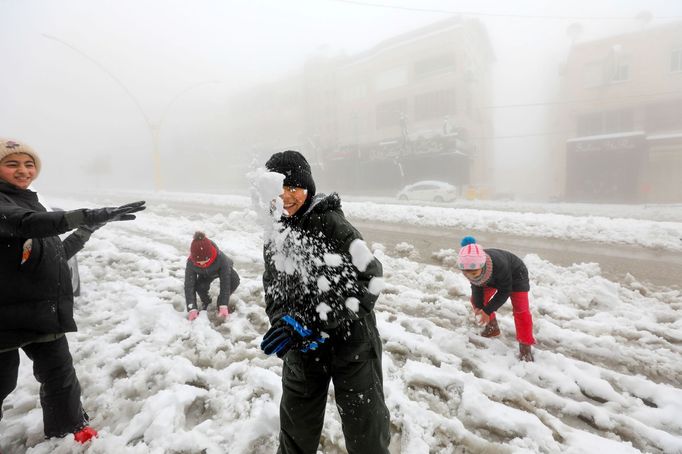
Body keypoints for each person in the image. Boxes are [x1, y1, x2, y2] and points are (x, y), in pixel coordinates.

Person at [0, 138, 146, 443]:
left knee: (60, 376)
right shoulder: (8, 206)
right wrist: (82, 215)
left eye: (29, 164)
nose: (23, 170)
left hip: (40, 312)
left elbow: (54, 255)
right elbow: (25, 224)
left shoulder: (31, 201)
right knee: (2, 379)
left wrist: (86, 229)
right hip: (4, 313)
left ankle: (68, 431)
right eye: (11, 163)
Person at [260, 150, 390, 454]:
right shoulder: (273, 234)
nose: (287, 196)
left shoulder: (330, 223)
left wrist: (311, 321)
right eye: (280, 189)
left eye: (295, 187)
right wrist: (284, 322)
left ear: (309, 189)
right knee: (295, 434)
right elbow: (273, 286)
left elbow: (370, 277)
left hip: (352, 343)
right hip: (303, 348)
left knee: (366, 434)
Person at [456, 236, 535, 361]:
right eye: (466, 273)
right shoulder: (471, 268)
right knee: (476, 301)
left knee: (521, 310)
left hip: (515, 274)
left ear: (481, 266)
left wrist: (487, 311)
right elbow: (476, 286)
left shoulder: (499, 265)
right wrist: (479, 307)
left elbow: (505, 291)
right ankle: (492, 328)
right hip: (492, 278)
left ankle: (525, 348)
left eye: (473, 273)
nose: (469, 276)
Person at [184, 231, 240, 321]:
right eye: (198, 262)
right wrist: (192, 308)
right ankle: (206, 301)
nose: (202, 264)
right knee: (200, 287)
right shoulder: (191, 263)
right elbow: (189, 285)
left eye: (205, 261)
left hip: (222, 270)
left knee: (234, 281)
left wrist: (223, 304)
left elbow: (225, 282)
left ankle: (220, 302)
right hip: (205, 274)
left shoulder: (221, 259)